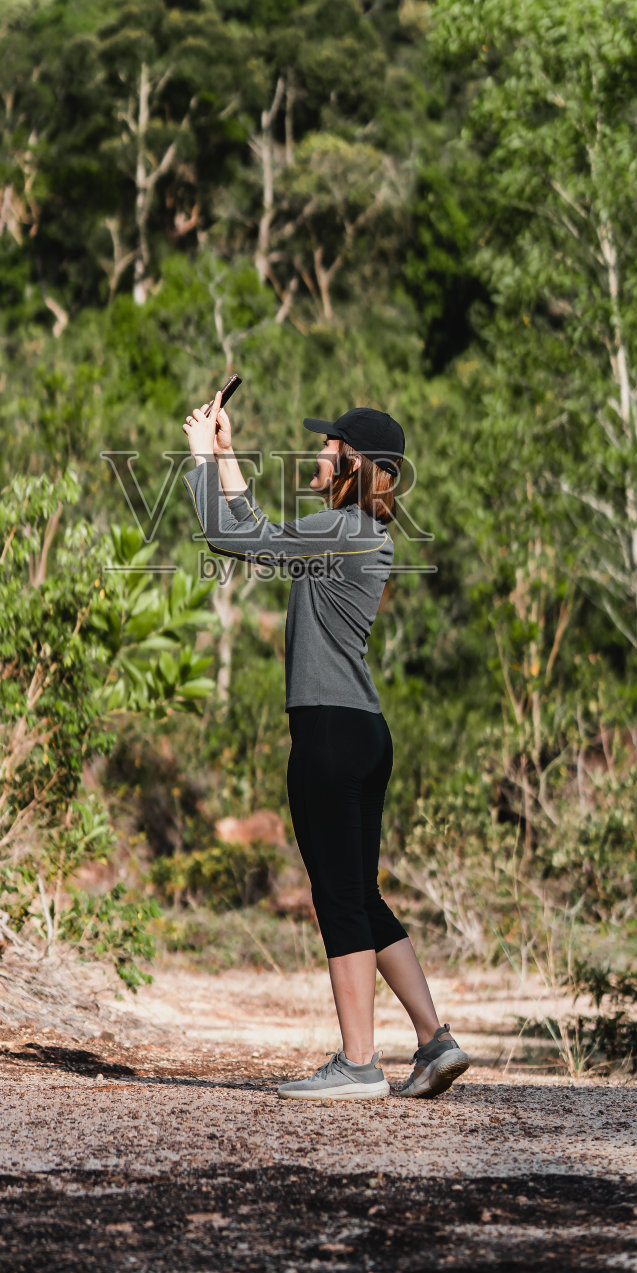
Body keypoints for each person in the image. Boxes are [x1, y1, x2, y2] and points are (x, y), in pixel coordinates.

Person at [181, 391, 470, 1102]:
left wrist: (195, 462)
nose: (313, 453)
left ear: (352, 463)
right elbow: (254, 526)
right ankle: (434, 1043)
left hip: (329, 733)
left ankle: (358, 1064)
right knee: (361, 893)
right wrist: (223, 454)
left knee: (336, 896)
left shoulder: (341, 531)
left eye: (325, 445)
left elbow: (232, 537)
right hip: (362, 732)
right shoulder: (357, 533)